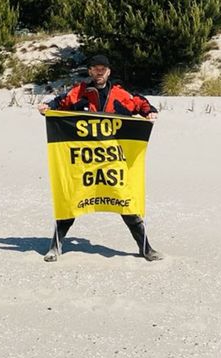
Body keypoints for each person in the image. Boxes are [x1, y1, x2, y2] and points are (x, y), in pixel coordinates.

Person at [37, 54, 161, 263]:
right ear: (90, 71)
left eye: (103, 69)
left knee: (126, 202)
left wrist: (150, 112)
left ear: (109, 72)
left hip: (113, 161)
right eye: (95, 69)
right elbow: (59, 104)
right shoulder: (79, 93)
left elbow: (139, 103)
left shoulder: (120, 94)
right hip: (84, 162)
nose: (99, 72)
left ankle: (146, 248)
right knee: (72, 200)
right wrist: (46, 109)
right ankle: (54, 248)